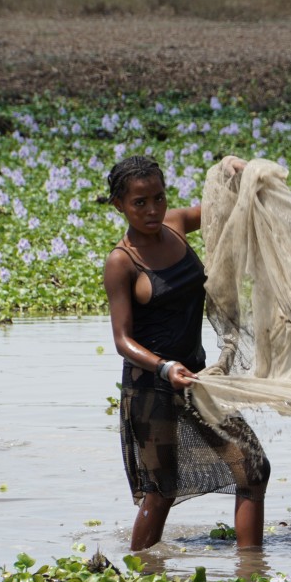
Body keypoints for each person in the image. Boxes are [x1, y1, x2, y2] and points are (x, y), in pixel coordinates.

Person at [103, 155, 270, 551]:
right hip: (152, 390)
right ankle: (138, 571)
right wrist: (164, 367)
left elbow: (222, 210)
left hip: (197, 381)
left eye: (159, 198)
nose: (152, 210)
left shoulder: (176, 226)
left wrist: (233, 173)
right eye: (139, 203)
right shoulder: (121, 262)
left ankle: (251, 571)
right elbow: (122, 341)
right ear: (119, 206)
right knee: (161, 490)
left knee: (253, 469)